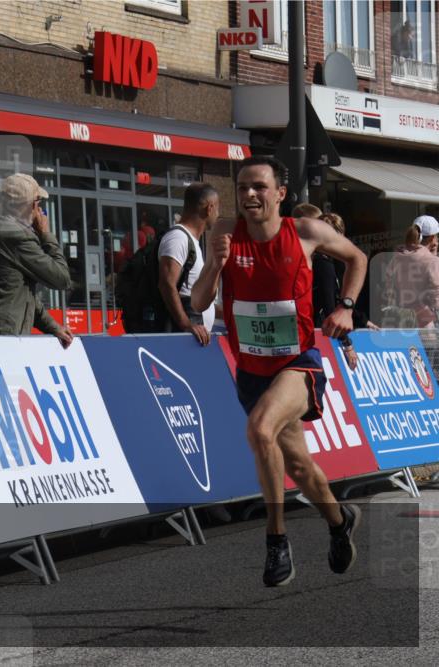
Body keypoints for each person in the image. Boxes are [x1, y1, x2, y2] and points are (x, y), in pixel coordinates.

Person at [191, 156, 368, 587]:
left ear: (280, 194)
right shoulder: (224, 234)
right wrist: (215, 265)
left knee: (260, 430)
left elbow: (357, 258)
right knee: (302, 469)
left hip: (298, 364)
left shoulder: (304, 232)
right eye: (243, 188)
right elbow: (197, 304)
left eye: (260, 187)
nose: (250, 195)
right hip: (252, 371)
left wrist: (346, 308)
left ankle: (276, 539)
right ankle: (338, 519)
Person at [0, 173, 73, 348]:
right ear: (30, 206)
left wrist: (53, 327)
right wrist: (45, 233)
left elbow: (19, 292)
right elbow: (61, 278)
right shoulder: (15, 235)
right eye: (38, 204)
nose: (40, 211)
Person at [158, 182, 219, 346]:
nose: (218, 214)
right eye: (218, 209)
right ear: (209, 208)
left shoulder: (191, 241)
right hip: (185, 338)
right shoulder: (178, 238)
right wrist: (186, 324)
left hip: (195, 337)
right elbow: (166, 284)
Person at [383, 216, 439, 328]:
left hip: (401, 319)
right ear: (433, 238)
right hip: (427, 322)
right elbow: (436, 294)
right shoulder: (432, 261)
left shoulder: (397, 258)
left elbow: (387, 286)